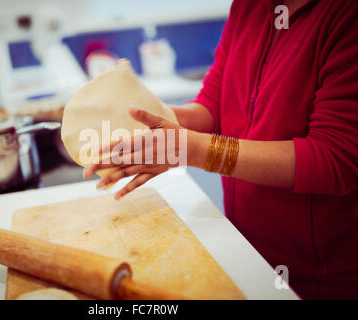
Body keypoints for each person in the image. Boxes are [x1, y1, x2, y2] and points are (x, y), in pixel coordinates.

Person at [83, 0, 358, 299]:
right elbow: (214, 103)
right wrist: (152, 121)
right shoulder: (249, 6)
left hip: (319, 277)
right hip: (247, 249)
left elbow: (333, 159)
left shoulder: (347, 16)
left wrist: (193, 149)